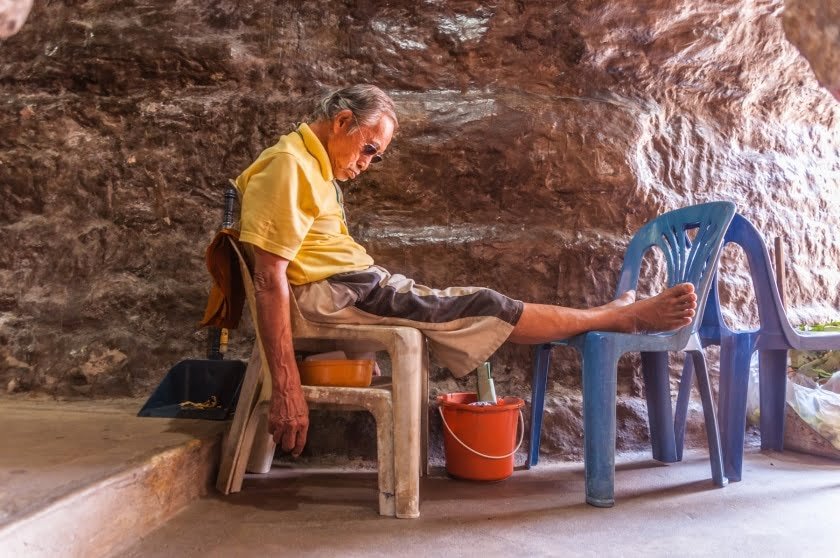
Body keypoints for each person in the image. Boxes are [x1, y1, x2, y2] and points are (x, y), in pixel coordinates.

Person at [233, 84, 697, 458]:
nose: (367, 164)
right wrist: (286, 384)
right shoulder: (289, 166)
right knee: (485, 305)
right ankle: (616, 317)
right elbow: (269, 277)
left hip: (357, 288)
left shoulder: (312, 167)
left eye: (375, 155)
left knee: (469, 301)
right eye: (368, 149)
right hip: (341, 295)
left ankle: (608, 314)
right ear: (341, 122)